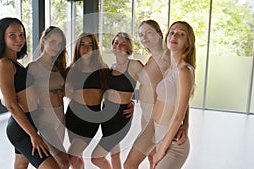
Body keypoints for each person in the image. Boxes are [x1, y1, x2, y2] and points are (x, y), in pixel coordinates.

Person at [0, 17, 60, 169]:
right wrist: (33, 134)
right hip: (22, 129)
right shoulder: (4, 63)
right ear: (2, 37)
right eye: (12, 35)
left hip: (30, 122)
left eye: (21, 35)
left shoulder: (15, 63)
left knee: (20, 166)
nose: (19, 39)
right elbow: (12, 105)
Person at [125, 20, 196, 169]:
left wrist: (185, 124)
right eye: (141, 34)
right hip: (150, 123)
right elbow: (177, 93)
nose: (144, 37)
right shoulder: (166, 63)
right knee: (139, 163)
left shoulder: (171, 62)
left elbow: (183, 99)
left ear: (159, 35)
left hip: (163, 125)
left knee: (149, 161)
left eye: (149, 32)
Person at [65, 33, 134, 169]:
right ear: (77, 48)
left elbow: (120, 86)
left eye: (90, 45)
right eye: (83, 45)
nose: (86, 49)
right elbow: (57, 92)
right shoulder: (71, 70)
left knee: (71, 157)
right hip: (72, 117)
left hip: (90, 120)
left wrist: (131, 102)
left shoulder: (103, 70)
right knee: (77, 158)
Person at [91, 32, 143, 169]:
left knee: (96, 157)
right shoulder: (112, 67)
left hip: (120, 117)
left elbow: (150, 87)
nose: (118, 46)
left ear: (128, 48)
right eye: (115, 43)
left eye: (122, 43)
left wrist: (134, 103)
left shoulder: (134, 65)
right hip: (106, 115)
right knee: (114, 155)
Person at [27, 26, 70, 169]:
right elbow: (23, 95)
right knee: (64, 161)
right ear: (43, 41)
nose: (56, 47)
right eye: (52, 42)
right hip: (45, 120)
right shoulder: (34, 67)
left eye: (59, 44)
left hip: (60, 118)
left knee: (57, 163)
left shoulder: (58, 66)